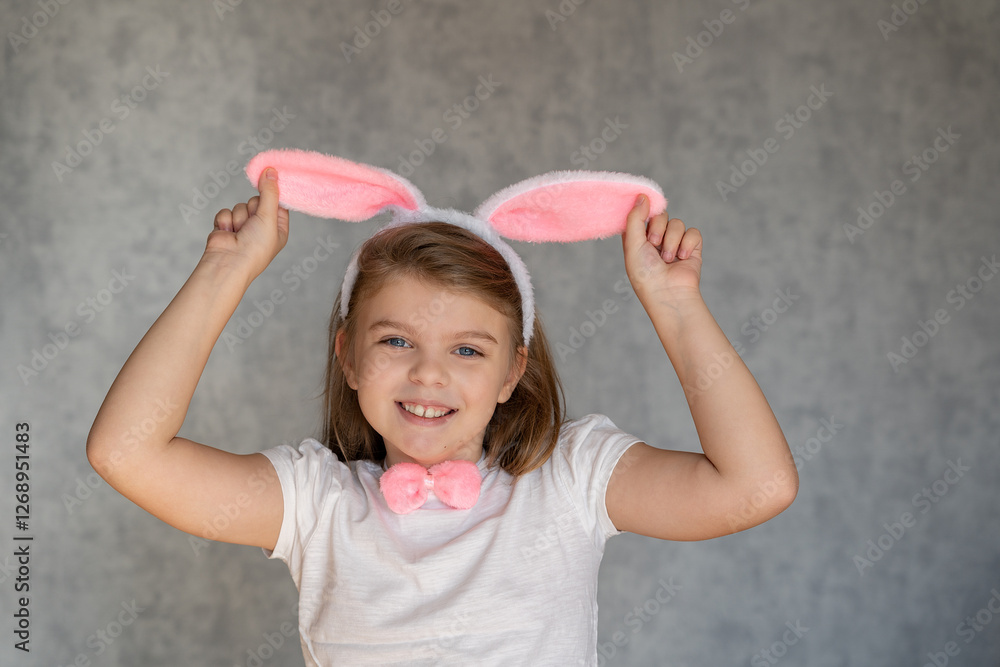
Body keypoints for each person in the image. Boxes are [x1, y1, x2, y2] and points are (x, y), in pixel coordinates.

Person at [87, 165, 798, 666]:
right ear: (348, 357)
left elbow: (756, 485)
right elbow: (126, 451)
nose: (429, 374)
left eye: (467, 349)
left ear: (512, 372)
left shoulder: (572, 479)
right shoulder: (314, 503)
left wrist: (675, 306)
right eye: (396, 341)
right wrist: (224, 270)